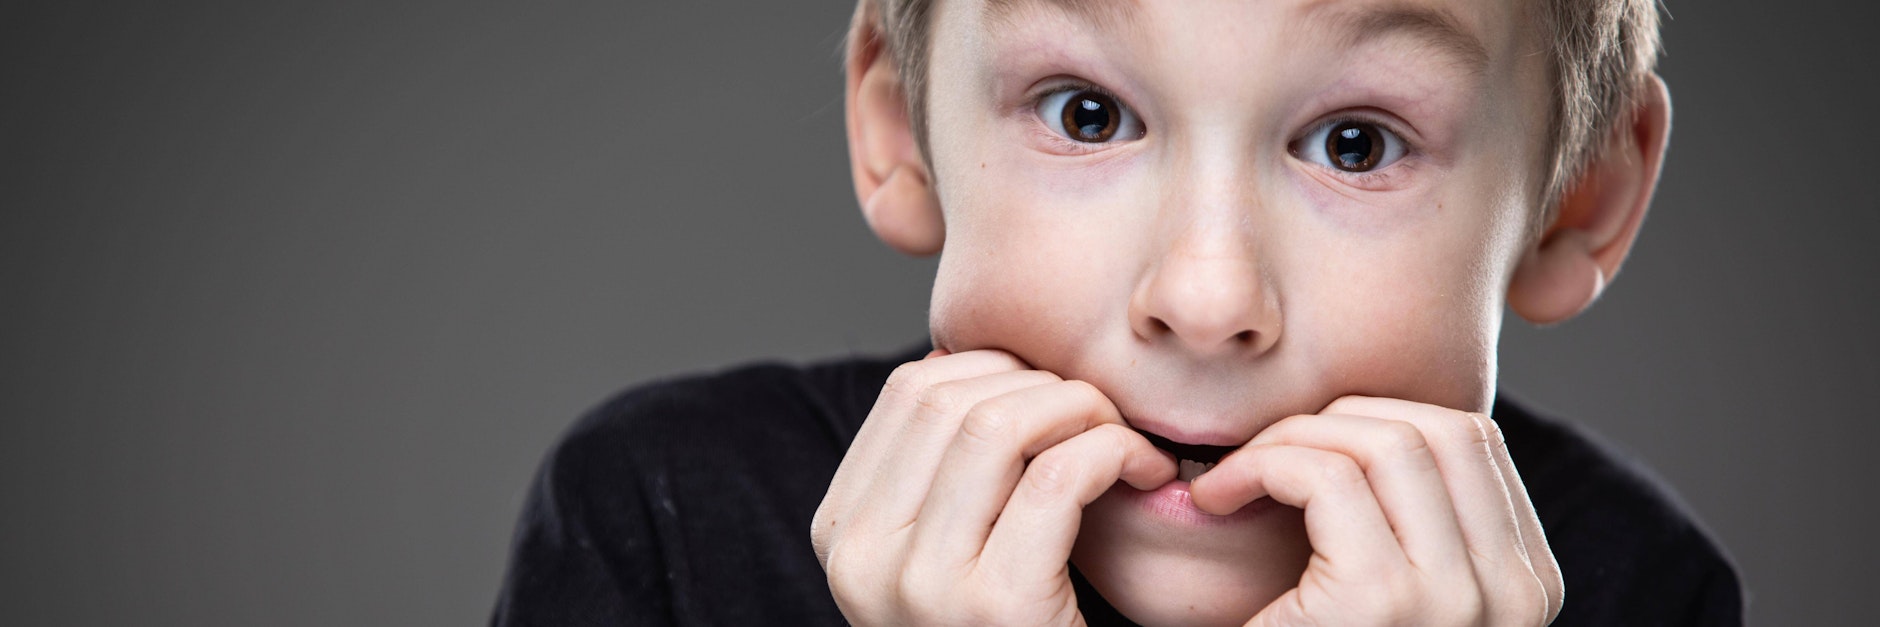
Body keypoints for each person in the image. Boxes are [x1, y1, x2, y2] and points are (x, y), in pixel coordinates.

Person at [491, 0, 1743, 624]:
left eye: (1355, 144)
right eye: (1085, 114)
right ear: (898, 128)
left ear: (1581, 197)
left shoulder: (1631, 589)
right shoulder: (662, 523)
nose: (1203, 302)